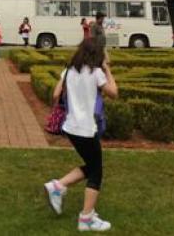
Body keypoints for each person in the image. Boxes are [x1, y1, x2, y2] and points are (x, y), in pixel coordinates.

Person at [44, 39, 118, 232]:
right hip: (86, 128)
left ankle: (58, 186)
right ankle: (86, 218)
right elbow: (114, 92)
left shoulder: (68, 71)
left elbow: (55, 95)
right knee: (96, 171)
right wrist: (107, 69)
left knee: (92, 165)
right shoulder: (97, 73)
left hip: (71, 127)